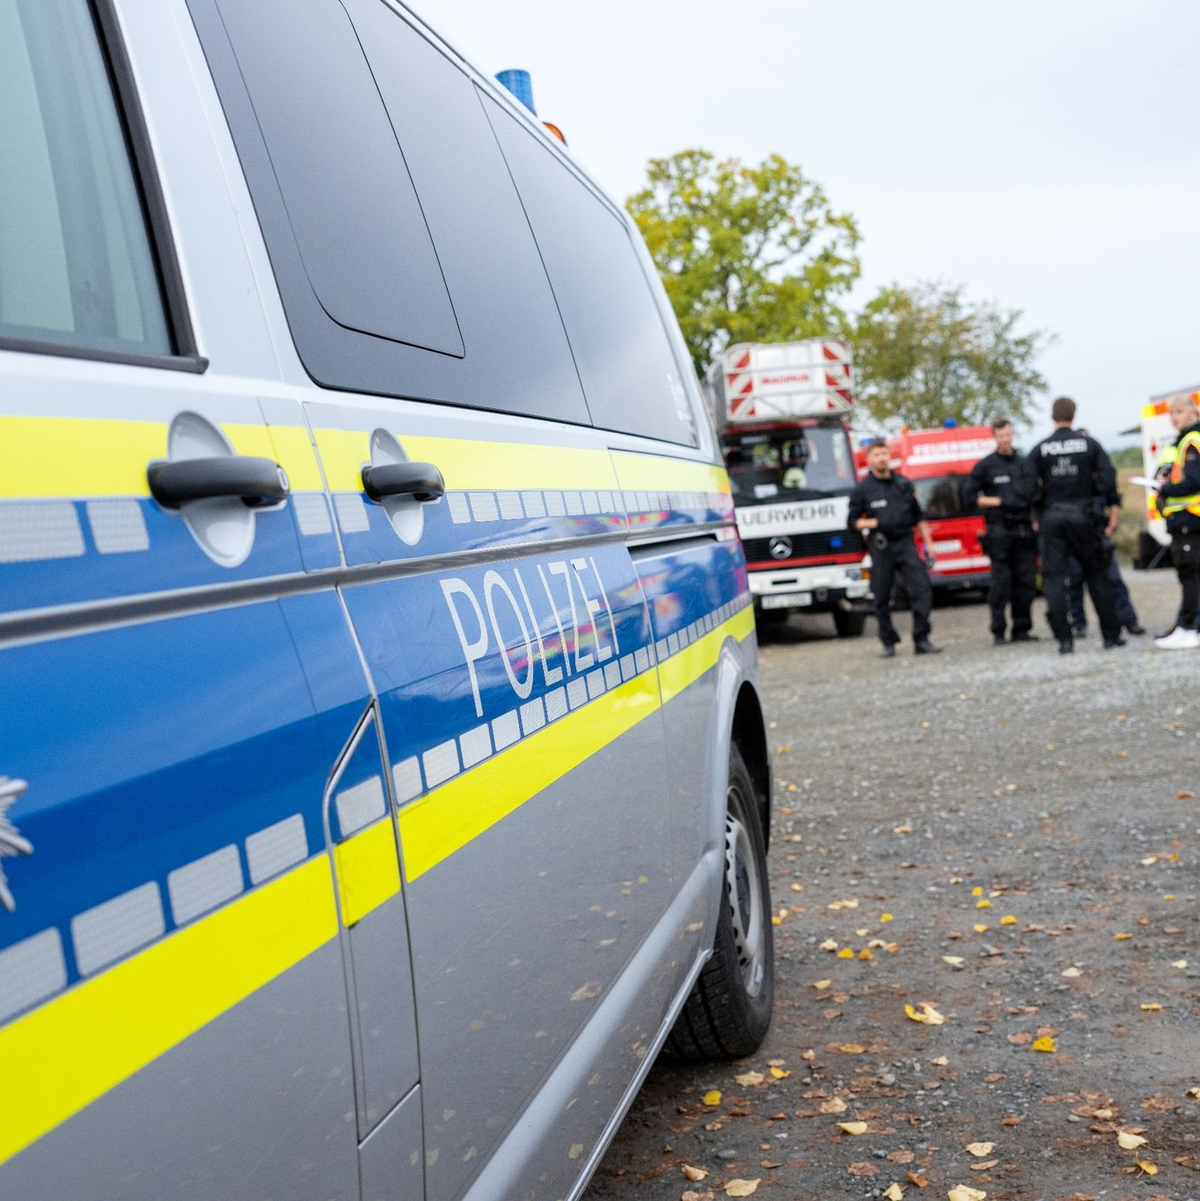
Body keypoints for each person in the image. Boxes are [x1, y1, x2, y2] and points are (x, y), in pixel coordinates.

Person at [1028, 397, 1124, 653]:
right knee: (1096, 575)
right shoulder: (1089, 445)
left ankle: (1064, 641)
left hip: (1051, 518)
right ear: (1073, 414)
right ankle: (1111, 636)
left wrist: (1041, 501)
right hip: (1083, 516)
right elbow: (1107, 480)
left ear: (1052, 416)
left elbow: (1026, 488)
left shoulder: (1040, 449)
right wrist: (1091, 489)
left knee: (1054, 579)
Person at [848, 437, 941, 657]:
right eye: (877, 455)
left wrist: (929, 545)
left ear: (890, 456)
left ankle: (921, 638)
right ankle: (888, 642)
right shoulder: (863, 490)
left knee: (921, 589)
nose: (882, 459)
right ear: (869, 459)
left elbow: (918, 517)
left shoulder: (903, 483)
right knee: (881, 596)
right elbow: (852, 522)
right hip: (881, 546)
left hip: (905, 542)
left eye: (884, 454)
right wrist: (874, 523)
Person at [962, 416, 1038, 645]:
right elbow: (968, 496)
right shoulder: (986, 466)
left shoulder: (1024, 463)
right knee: (1000, 584)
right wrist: (996, 502)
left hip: (1023, 529)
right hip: (999, 530)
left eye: (1008, 434)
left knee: (1025, 582)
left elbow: (1035, 494)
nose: (1005, 439)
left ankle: (1021, 629)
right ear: (994, 437)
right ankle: (998, 630)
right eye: (1001, 435)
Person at [1153, 393, 1200, 649]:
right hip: (1187, 518)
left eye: (1179, 412)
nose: (1174, 418)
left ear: (1193, 413)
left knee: (1189, 575)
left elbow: (1194, 481)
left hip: (1190, 517)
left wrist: (1166, 488)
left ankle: (1190, 628)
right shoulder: (1184, 440)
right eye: (1171, 413)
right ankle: (1186, 625)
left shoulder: (1192, 440)